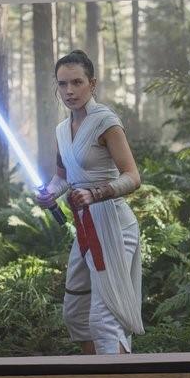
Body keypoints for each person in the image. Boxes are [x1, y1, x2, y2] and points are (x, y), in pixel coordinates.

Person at [34, 50, 144, 354]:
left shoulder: (106, 122)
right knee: (77, 312)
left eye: (77, 82)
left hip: (114, 225)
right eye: (62, 84)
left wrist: (96, 193)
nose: (69, 91)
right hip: (85, 229)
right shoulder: (61, 130)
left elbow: (133, 176)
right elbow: (63, 177)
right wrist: (49, 193)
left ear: (92, 84)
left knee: (105, 317)